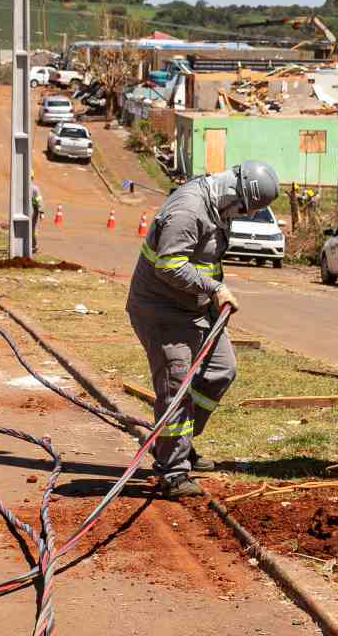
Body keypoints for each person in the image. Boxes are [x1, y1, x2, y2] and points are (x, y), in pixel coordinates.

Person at [125, 161, 279, 498]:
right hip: (162, 311)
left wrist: (211, 297)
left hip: (196, 309)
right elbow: (169, 265)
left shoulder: (218, 204)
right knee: (177, 388)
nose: (241, 216)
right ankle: (173, 473)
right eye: (244, 209)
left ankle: (180, 443)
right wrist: (213, 289)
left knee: (221, 370)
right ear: (236, 193)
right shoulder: (189, 209)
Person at [30, 173, 44, 254]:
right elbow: (39, 201)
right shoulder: (35, 189)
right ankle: (33, 246)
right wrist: (41, 212)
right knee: (33, 229)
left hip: (22, 212)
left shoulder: (21, 187)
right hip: (33, 213)